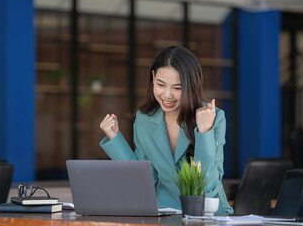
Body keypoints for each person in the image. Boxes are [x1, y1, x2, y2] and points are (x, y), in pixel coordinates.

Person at [99, 46, 234, 215]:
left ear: (192, 86)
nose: (167, 95)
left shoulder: (214, 117)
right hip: (163, 213)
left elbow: (206, 185)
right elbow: (141, 181)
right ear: (153, 77)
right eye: (161, 84)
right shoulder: (144, 118)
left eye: (177, 88)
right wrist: (115, 138)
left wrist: (204, 131)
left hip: (207, 214)